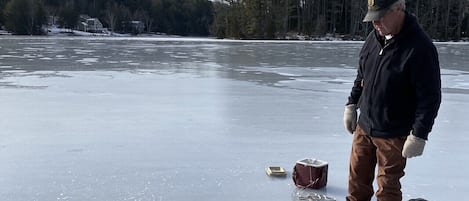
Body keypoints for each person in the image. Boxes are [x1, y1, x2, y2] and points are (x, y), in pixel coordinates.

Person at [343, 0, 441, 200]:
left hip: (393, 133)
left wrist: (419, 135)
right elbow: (362, 76)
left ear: (399, 10)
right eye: (372, 18)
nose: (375, 23)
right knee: (356, 181)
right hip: (364, 126)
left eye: (379, 17)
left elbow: (430, 97)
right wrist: (352, 104)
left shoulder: (420, 47)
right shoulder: (373, 38)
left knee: (387, 187)